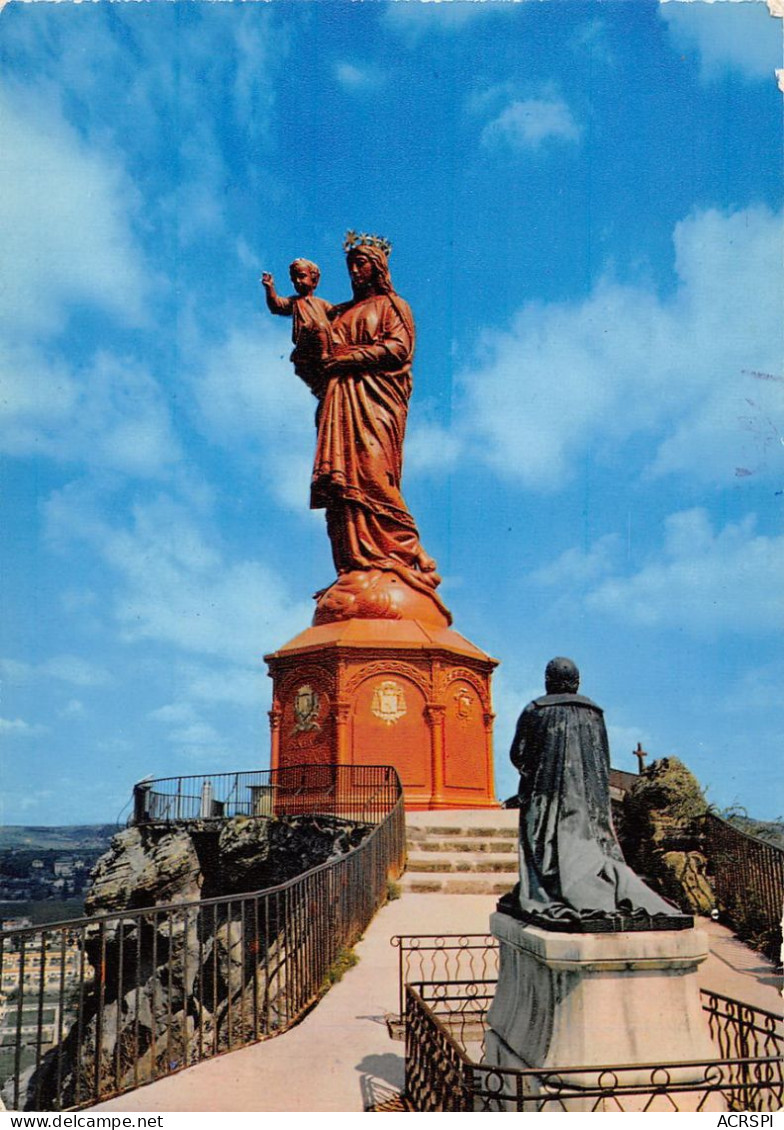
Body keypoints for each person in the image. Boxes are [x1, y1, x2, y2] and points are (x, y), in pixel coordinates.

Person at [307, 236, 443, 600]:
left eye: (361, 263)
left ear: (378, 267)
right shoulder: (339, 313)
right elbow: (317, 358)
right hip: (340, 404)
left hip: (375, 403)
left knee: (371, 470)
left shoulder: (393, 306)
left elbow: (398, 349)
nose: (354, 271)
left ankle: (408, 550)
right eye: (350, 264)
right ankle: (354, 565)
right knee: (341, 486)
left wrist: (346, 359)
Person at [507, 657, 684, 927]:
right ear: (577, 683)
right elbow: (602, 759)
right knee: (592, 846)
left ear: (547, 681)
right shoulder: (594, 713)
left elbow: (518, 754)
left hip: (546, 796)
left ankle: (550, 888)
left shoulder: (536, 710)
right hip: (589, 801)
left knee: (541, 841)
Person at [261, 259, 333, 395]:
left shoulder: (322, 304)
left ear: (314, 279)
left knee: (321, 326)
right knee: (312, 327)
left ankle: (326, 356)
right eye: (294, 279)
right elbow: (276, 305)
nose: (298, 282)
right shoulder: (294, 302)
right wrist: (269, 287)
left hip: (320, 340)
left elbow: (336, 315)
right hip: (305, 340)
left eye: (302, 277)